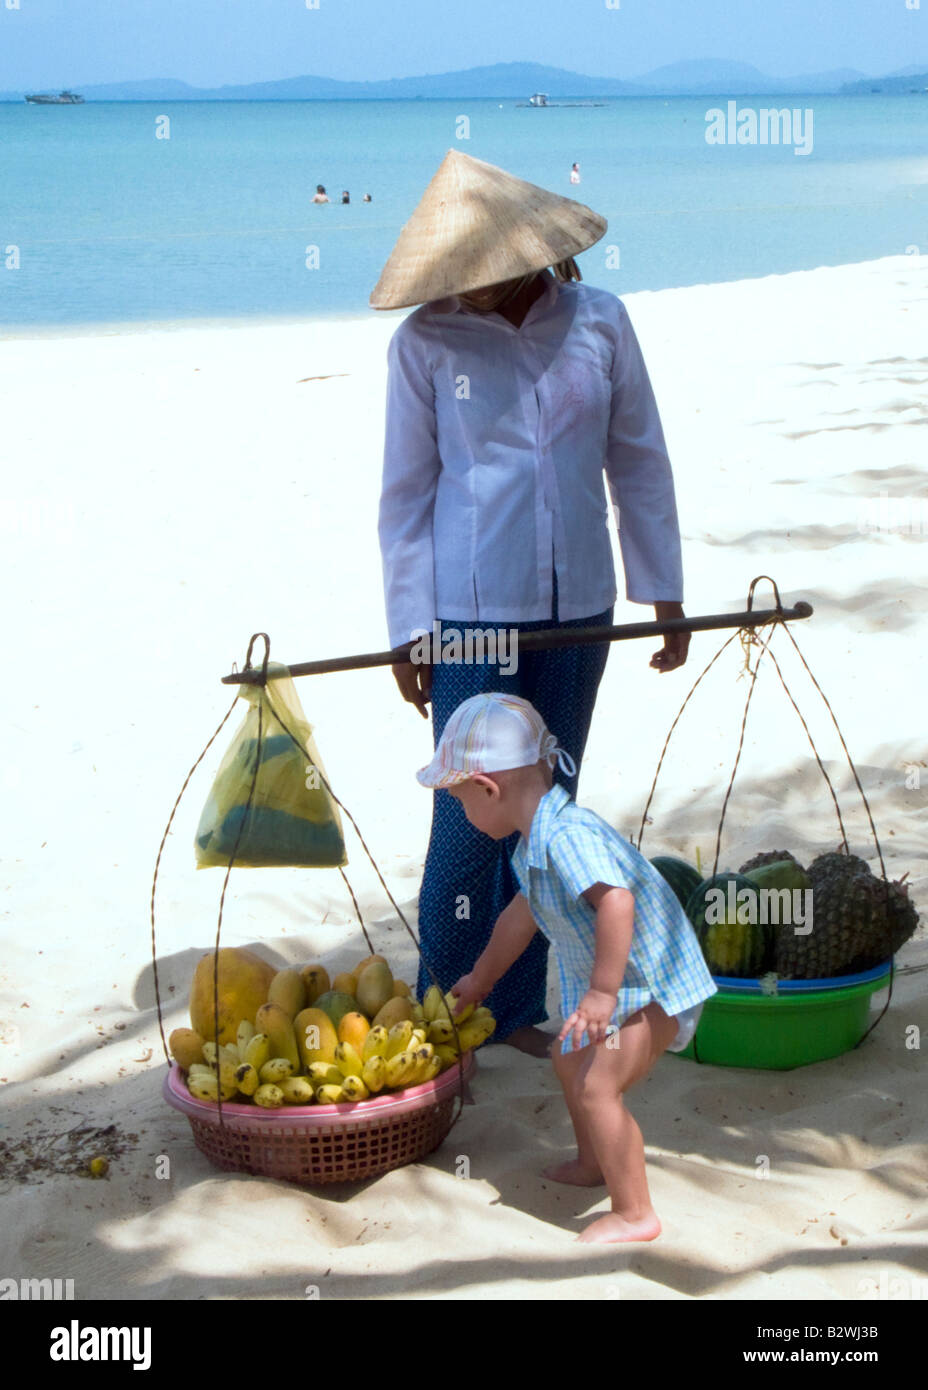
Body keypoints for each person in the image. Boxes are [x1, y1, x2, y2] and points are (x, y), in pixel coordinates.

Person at [371, 149, 689, 1057]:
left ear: (525, 252)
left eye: (479, 273)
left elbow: (639, 458)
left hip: (581, 613)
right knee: (469, 824)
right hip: (471, 625)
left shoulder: (601, 322)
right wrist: (409, 630)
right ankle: (447, 1008)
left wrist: (659, 589)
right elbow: (405, 496)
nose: (466, 291)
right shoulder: (425, 345)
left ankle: (511, 1012)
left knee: (551, 818)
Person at [416, 692, 717, 1244]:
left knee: (599, 1084)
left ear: (488, 788)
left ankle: (635, 1212)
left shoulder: (567, 836)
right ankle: (594, 1162)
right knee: (567, 1055)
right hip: (623, 986)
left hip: (653, 983)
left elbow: (617, 901)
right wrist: (481, 979)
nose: (462, 811)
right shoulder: (536, 842)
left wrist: (601, 995)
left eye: (460, 799)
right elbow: (520, 916)